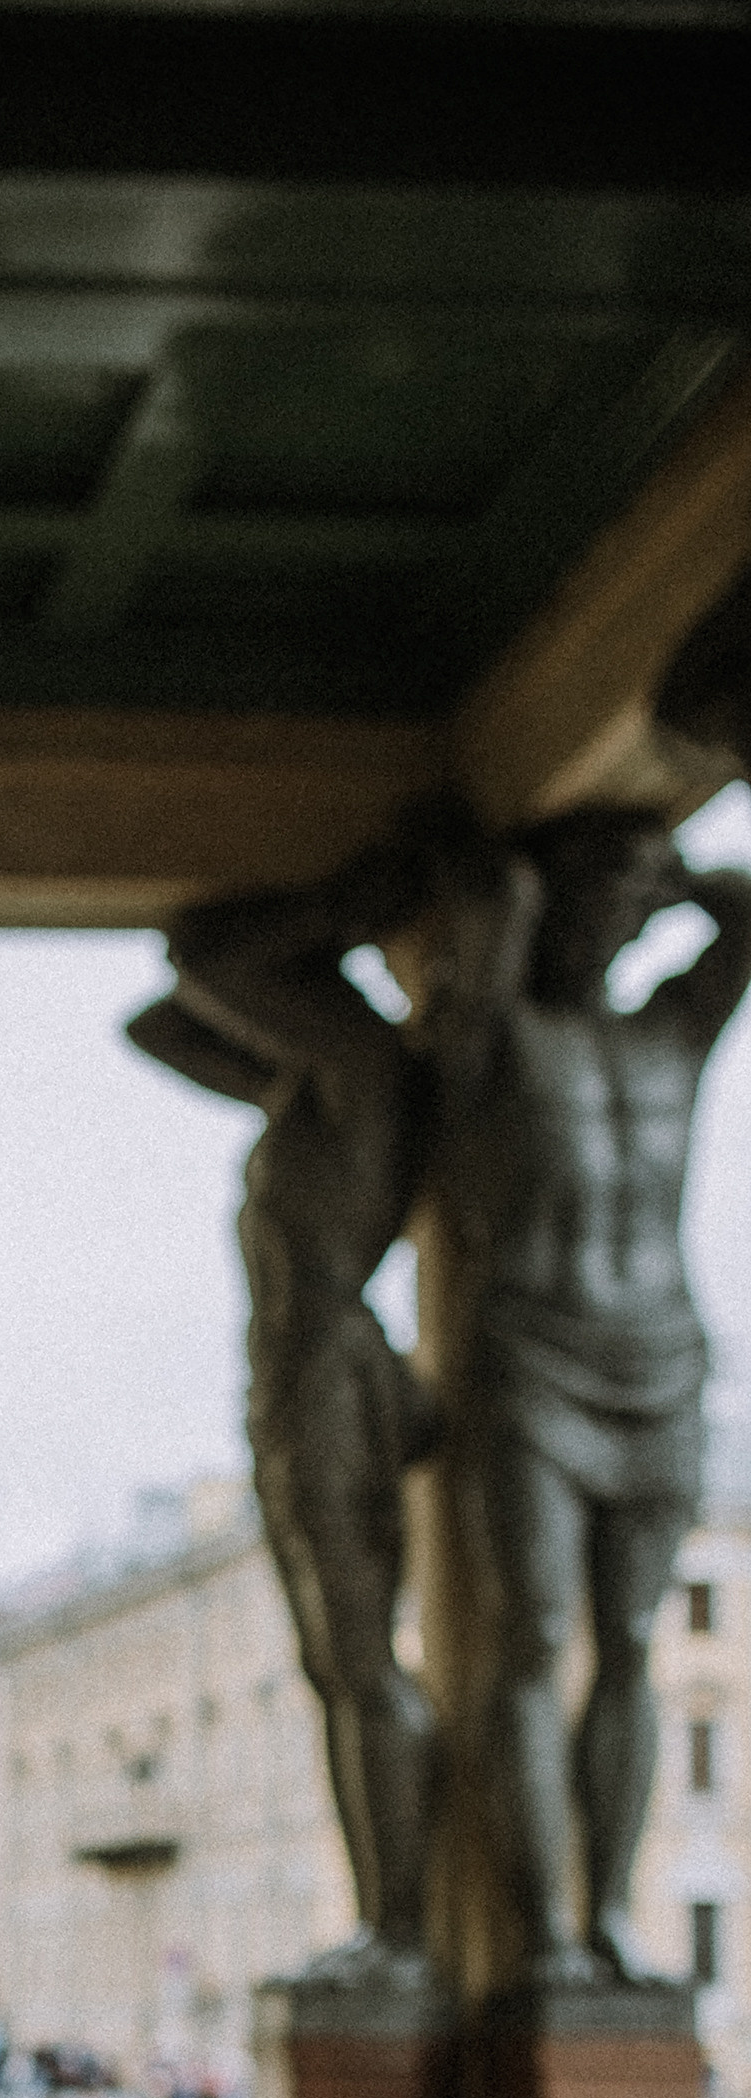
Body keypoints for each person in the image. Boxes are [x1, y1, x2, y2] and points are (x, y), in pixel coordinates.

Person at [426, 811, 751, 1980]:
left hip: (661, 1357)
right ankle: (540, 1928)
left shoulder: (675, 1030)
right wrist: (510, 902)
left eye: (631, 899)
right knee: (540, 1633)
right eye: (592, 894)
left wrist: (681, 872)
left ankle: (609, 1910)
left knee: (630, 1641)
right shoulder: (495, 1036)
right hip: (529, 1356)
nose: (611, 917)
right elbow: (463, 1023)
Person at [130, 836, 442, 1982]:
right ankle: (391, 1922)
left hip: (330, 1382)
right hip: (292, 1384)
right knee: (333, 1666)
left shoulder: (363, 1062)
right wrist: (323, 921)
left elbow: (200, 969)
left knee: (360, 1663)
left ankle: (403, 1927)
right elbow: (161, 1023)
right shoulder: (308, 1084)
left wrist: (333, 902)